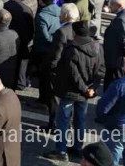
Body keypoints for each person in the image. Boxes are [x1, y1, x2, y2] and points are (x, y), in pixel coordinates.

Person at [45, 20, 105, 161]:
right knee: (80, 119)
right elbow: (101, 69)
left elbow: (73, 74)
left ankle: (61, 150)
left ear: (75, 32)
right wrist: (92, 88)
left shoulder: (72, 49)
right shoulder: (98, 47)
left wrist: (84, 89)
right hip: (86, 92)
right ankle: (78, 147)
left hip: (70, 91)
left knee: (63, 120)